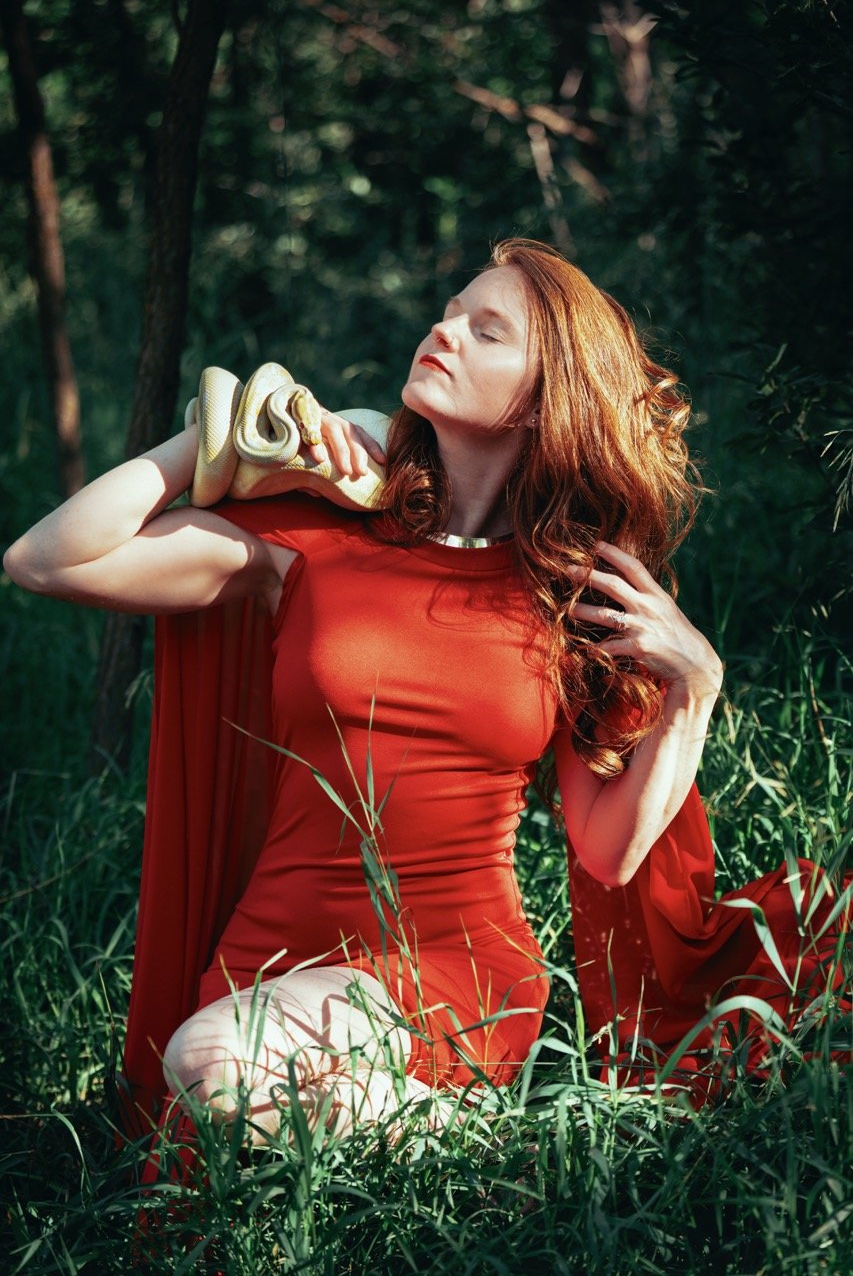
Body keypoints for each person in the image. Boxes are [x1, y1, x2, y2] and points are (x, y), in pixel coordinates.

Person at [4, 239, 847, 1146]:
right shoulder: (311, 542)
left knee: (210, 1067)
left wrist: (696, 691)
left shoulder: (573, 599)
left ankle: (509, 1152)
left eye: (486, 331)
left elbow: (608, 853)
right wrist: (216, 434)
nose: (442, 332)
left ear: (541, 402)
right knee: (231, 1140)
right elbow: (44, 559)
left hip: (456, 970)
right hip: (266, 954)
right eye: (447, 313)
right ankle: (453, 1142)